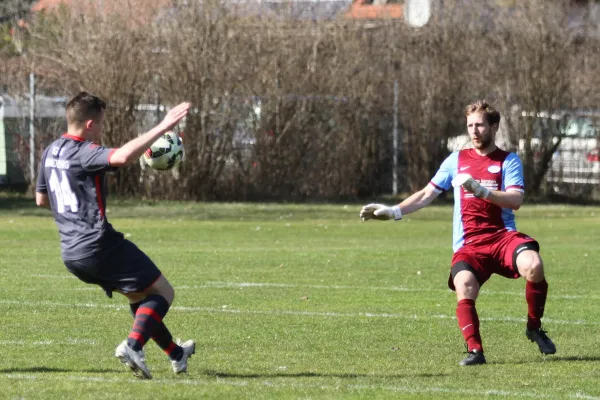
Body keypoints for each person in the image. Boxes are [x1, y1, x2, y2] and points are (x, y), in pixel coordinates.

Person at [360, 100, 556, 366]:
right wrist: (393, 212)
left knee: (533, 264)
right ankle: (475, 351)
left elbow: (515, 199)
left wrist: (483, 192)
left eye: (480, 125)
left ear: (494, 127)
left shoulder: (508, 160)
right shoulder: (457, 160)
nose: (474, 131)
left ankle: (534, 327)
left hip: (502, 237)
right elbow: (427, 194)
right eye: (470, 126)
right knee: (464, 284)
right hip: (469, 244)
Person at [35, 91, 194, 379]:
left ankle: (176, 354)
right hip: (98, 244)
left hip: (71, 253)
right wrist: (163, 127)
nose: (102, 131)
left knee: (139, 296)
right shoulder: (84, 151)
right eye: (102, 124)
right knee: (163, 292)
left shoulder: (49, 152)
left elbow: (41, 200)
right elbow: (120, 157)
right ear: (89, 124)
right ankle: (133, 346)